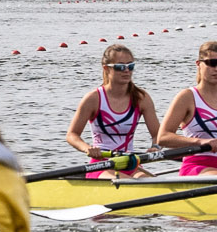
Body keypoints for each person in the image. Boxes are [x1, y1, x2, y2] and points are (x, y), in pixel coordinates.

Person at [155, 39, 217, 176]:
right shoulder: (187, 97)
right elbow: (163, 138)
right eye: (211, 63)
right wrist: (200, 141)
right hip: (197, 166)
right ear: (198, 64)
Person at [64, 44, 160, 175]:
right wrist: (88, 148)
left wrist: (155, 147)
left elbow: (157, 134)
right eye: (120, 67)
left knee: (148, 181)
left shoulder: (141, 98)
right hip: (101, 164)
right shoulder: (93, 99)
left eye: (130, 66)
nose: (127, 71)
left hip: (129, 163)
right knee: (127, 183)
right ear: (106, 69)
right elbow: (72, 135)